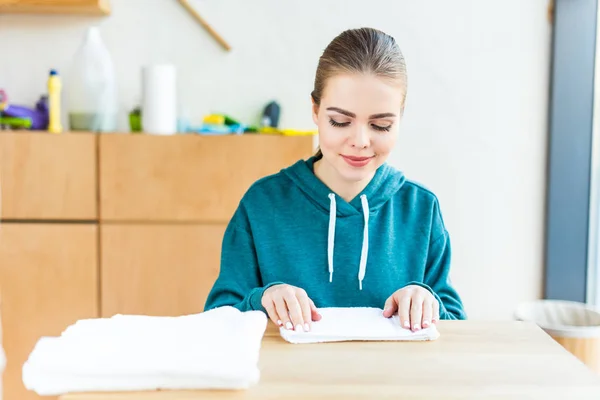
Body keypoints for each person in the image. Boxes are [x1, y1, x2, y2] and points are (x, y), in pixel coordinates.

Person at [204, 27, 466, 333]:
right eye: (340, 121)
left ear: (400, 118)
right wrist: (262, 300)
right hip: (288, 380)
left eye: (380, 125)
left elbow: (455, 328)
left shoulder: (421, 209)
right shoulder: (262, 204)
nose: (360, 141)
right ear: (315, 111)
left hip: (393, 381)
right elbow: (217, 319)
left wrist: (426, 301)